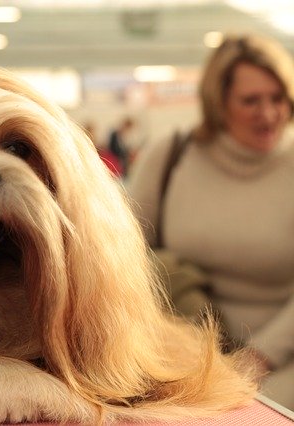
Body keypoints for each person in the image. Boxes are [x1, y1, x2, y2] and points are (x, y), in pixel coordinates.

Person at [127, 33, 294, 410]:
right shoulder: (169, 156)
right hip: (176, 345)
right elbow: (122, 251)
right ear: (219, 104)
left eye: (277, 98)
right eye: (251, 101)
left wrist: (258, 357)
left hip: (280, 355)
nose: (268, 114)